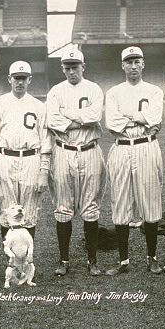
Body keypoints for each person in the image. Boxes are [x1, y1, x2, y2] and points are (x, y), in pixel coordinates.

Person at [0, 61, 52, 273]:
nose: (19, 81)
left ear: (30, 80)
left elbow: (46, 142)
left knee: (30, 209)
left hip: (31, 158)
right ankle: (12, 260)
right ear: (9, 79)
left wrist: (43, 171)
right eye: (16, 77)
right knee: (7, 210)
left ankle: (27, 259)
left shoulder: (40, 107)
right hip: (5, 158)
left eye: (24, 78)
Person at [105, 46, 165, 274]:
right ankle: (123, 261)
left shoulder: (154, 91)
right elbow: (112, 123)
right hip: (121, 148)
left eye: (137, 61)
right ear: (122, 65)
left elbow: (154, 119)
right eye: (128, 62)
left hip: (146, 147)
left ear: (143, 64)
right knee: (120, 203)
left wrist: (128, 118)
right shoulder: (113, 92)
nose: (133, 66)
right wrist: (140, 119)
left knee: (150, 203)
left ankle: (152, 258)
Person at [44, 49, 104, 276]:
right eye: (67, 67)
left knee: (90, 206)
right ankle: (64, 259)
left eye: (75, 67)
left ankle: (92, 259)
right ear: (63, 69)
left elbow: (94, 116)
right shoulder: (56, 91)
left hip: (89, 150)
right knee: (63, 207)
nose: (71, 71)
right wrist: (81, 118)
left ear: (83, 66)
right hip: (63, 151)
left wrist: (66, 115)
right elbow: (52, 120)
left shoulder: (94, 89)